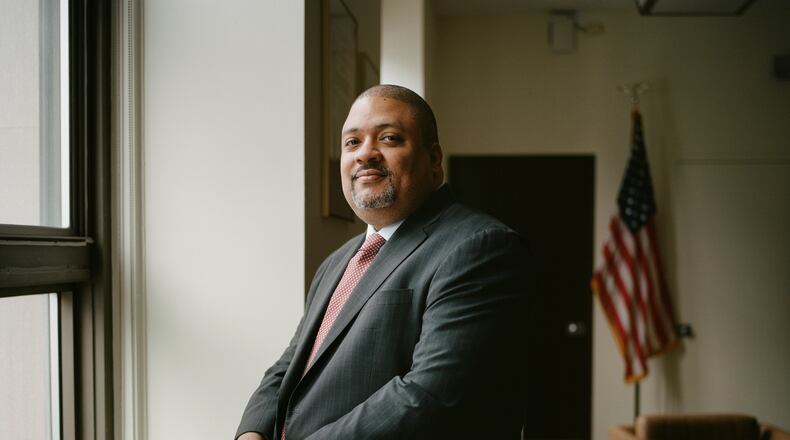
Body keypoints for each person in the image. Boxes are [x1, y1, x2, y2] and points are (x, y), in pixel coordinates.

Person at [236, 84, 530, 440]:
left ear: (433, 160)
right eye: (352, 142)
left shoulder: (479, 247)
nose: (365, 154)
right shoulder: (337, 261)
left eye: (388, 138)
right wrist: (253, 433)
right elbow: (292, 363)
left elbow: (431, 394)